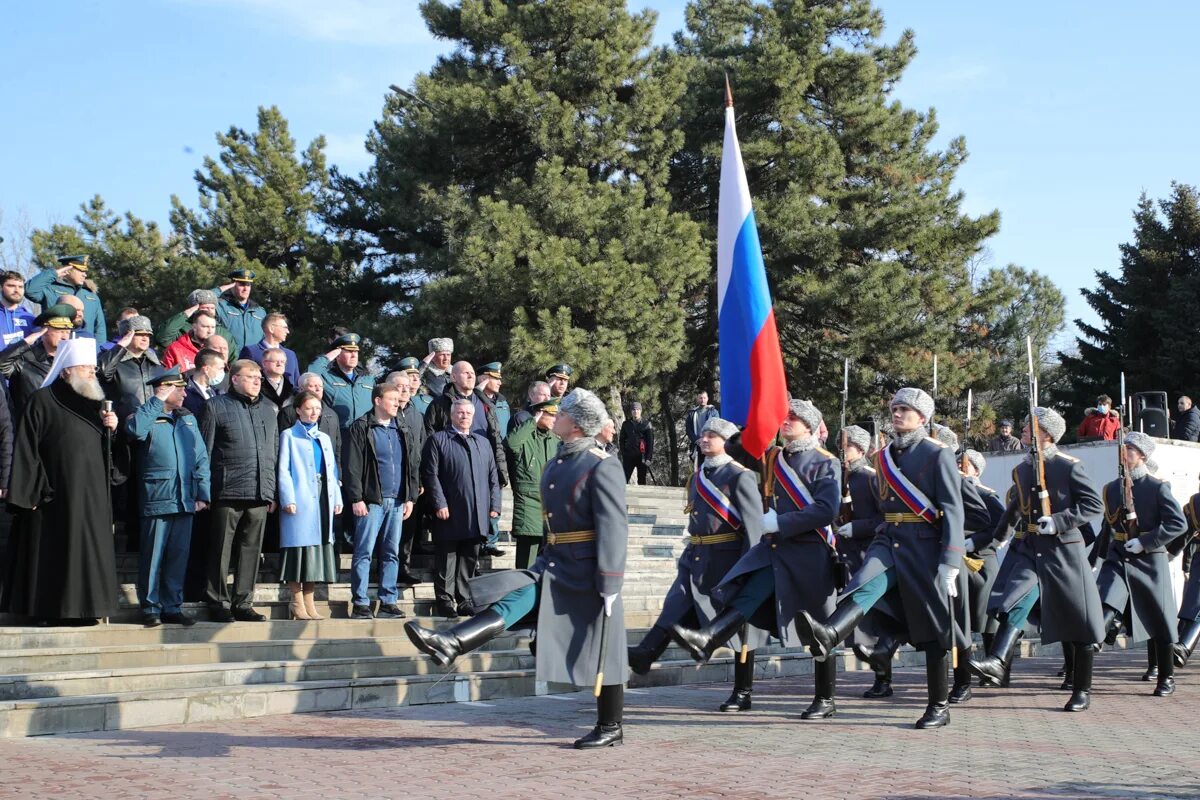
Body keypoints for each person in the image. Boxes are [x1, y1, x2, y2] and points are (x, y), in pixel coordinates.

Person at [405, 388, 628, 749]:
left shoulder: (601, 465)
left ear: (578, 425)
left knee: (606, 648)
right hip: (554, 562)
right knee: (515, 597)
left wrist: (610, 581)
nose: (557, 416)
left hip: (588, 569)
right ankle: (452, 642)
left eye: (564, 413)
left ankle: (611, 725)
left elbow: (614, 526)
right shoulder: (558, 462)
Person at [792, 388, 964, 729]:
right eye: (895, 408)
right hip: (889, 538)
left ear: (923, 417)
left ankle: (938, 705)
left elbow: (953, 510)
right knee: (864, 584)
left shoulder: (937, 454)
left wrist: (951, 559)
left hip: (925, 544)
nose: (897, 413)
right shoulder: (883, 457)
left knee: (933, 626)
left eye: (905, 409)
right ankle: (829, 633)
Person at [672, 402, 840, 719]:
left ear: (810, 425)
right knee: (745, 597)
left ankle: (825, 697)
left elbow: (826, 510)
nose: (786, 421)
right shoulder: (774, 458)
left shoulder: (825, 462)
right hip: (775, 550)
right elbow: (740, 452)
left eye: (794, 417)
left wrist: (782, 523)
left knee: (818, 625)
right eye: (785, 415)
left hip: (810, 550)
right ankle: (709, 639)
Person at [968, 407, 1105, 712]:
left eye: (1029, 429)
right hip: (1031, 548)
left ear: (1046, 434)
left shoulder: (1068, 466)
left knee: (1079, 620)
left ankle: (1082, 688)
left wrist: (1059, 520)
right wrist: (1000, 536)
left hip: (1064, 551)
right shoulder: (1023, 469)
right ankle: (997, 661)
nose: (1023, 433)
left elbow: (1092, 504)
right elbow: (1016, 507)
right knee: (1014, 600)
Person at [631, 417, 768, 712]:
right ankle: (645, 653)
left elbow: (753, 528)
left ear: (727, 440)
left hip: (728, 557)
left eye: (712, 435)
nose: (704, 439)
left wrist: (748, 569)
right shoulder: (696, 477)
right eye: (703, 434)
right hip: (695, 556)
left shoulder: (740, 476)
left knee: (741, 627)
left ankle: (742, 691)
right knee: (674, 604)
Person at [0, 339, 119, 623]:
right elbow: (27, 447)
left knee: (87, 552)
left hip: (90, 495)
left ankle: (86, 610)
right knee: (53, 552)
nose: (92, 372)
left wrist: (112, 430)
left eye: (92, 367)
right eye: (85, 367)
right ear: (66, 370)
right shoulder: (42, 400)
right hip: (53, 493)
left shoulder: (95, 403)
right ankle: (50, 610)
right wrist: (30, 490)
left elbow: (106, 450)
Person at [1095, 432, 1187, 697]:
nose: (1124, 454)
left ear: (1143, 456)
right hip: (1120, 554)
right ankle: (1099, 635)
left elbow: (1177, 524)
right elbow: (1109, 526)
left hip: (1149, 559)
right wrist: (1099, 557)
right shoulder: (1112, 488)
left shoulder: (1157, 487)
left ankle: (1166, 676)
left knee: (1159, 620)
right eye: (1122, 449)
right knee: (1107, 595)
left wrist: (1146, 542)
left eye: (1130, 450)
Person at [126, 367, 210, 627]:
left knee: (178, 557)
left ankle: (172, 606)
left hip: (185, 498)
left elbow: (200, 458)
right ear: (165, 389)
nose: (185, 393)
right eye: (180, 388)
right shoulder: (145, 416)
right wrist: (157, 401)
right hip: (158, 497)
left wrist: (203, 493)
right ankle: (150, 607)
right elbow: (135, 431)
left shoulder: (187, 419)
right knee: (152, 557)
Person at [200, 359, 278, 622]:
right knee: (221, 549)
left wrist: (272, 491)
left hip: (259, 492)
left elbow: (273, 453)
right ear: (234, 379)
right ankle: (218, 601)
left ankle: (243, 602)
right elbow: (204, 452)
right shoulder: (215, 406)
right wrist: (203, 490)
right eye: (251, 376)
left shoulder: (270, 409)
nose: (258, 381)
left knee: (251, 550)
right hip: (226, 491)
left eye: (259, 377)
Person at [421, 397, 501, 617]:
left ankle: (464, 599)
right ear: (452, 415)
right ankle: (445, 600)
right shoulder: (438, 440)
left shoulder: (482, 442)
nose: (464, 416)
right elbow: (430, 475)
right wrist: (439, 502)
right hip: (449, 511)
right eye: (460, 413)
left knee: (469, 558)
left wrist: (494, 504)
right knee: (447, 558)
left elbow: (493, 476)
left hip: (477, 512)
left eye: (468, 413)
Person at [832, 425, 893, 698]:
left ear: (859, 449)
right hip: (844, 556)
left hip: (868, 555)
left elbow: (884, 519)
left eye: (846, 447)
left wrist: (858, 528)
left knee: (876, 624)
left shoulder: (870, 478)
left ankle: (883, 681)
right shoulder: (839, 477)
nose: (842, 452)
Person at [344, 383, 413, 619]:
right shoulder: (361, 427)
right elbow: (352, 466)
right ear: (377, 400)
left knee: (391, 553)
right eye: (392, 399)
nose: (397, 403)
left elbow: (409, 464)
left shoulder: (401, 428)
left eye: (399, 399)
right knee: (364, 552)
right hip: (370, 501)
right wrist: (356, 498)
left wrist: (409, 497)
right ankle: (361, 603)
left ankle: (388, 601)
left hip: (396, 501)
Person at [277, 390, 343, 621]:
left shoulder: (323, 438)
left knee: (317, 552)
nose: (314, 413)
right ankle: (296, 600)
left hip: (322, 496)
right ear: (298, 410)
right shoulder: (289, 436)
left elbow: (332, 470)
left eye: (317, 409)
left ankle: (309, 600)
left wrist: (337, 498)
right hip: (301, 497)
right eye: (309, 408)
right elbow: (283, 469)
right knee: (299, 550)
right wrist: (288, 498)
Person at [423, 361, 509, 491]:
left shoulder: (485, 404)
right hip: (452, 475)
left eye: (472, 373)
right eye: (465, 373)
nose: (470, 376)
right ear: (453, 377)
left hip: (484, 473)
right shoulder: (439, 405)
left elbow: (495, 439)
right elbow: (430, 439)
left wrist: (501, 472)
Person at [960, 449, 1007, 686]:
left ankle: (994, 668)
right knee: (964, 618)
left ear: (976, 470)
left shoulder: (986, 495)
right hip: (960, 561)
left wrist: (976, 541)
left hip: (982, 560)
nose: (960, 467)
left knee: (989, 620)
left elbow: (1002, 524)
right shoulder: (954, 493)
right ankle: (965, 671)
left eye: (965, 464)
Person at [505, 397, 560, 569]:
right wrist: (532, 421)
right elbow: (511, 444)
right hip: (528, 503)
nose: (555, 419)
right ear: (540, 414)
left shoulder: (555, 440)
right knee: (527, 562)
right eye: (551, 415)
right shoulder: (525, 435)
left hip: (549, 506)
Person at [0, 304, 76, 412]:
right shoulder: (24, 359)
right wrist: (27, 341)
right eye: (59, 331)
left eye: (67, 332)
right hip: (29, 424)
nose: (64, 336)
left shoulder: (71, 362)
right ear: (44, 331)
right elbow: (2, 364)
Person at [25, 255, 105, 340]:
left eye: (85, 271)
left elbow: (100, 329)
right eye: (81, 270)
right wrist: (54, 273)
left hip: (84, 348)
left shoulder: (91, 296)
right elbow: (29, 290)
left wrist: (97, 350)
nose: (84, 275)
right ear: (68, 270)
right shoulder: (51, 289)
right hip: (56, 346)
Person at [98, 315, 161, 420]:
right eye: (140, 334)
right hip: (124, 425)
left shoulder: (155, 364)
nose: (145, 338)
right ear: (127, 336)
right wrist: (121, 345)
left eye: (148, 335)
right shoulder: (114, 363)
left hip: (155, 425)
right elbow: (103, 372)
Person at [308, 332, 376, 430]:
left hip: (365, 434)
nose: (354, 355)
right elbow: (311, 373)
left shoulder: (368, 378)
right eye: (349, 351)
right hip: (339, 433)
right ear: (338, 354)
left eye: (356, 351)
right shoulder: (327, 376)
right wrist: (329, 356)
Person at [279, 372, 342, 459]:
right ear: (301, 389)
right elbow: (282, 449)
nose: (318, 389)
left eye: (320, 386)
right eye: (313, 386)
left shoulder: (331, 414)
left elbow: (337, 448)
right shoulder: (288, 412)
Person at [209, 270, 267, 355]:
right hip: (227, 361)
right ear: (232, 285)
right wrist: (222, 288)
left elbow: (266, 340)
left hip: (253, 364)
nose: (245, 289)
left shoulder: (260, 311)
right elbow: (202, 298)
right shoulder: (220, 306)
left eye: (248, 285)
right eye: (242, 284)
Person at [239, 313, 300, 387]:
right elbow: (244, 380)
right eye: (284, 327)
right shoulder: (251, 352)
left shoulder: (290, 355)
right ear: (271, 328)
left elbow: (296, 383)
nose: (288, 331)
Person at [183, 349, 226, 416]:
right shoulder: (184, 394)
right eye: (220, 368)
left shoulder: (218, 393)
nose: (223, 372)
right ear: (206, 369)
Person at [619, 402, 653, 484]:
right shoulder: (626, 424)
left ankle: (642, 497)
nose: (636, 411)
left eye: (638, 409)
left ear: (640, 411)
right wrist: (624, 453)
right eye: (634, 409)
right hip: (629, 456)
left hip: (642, 457)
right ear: (631, 411)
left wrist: (649, 458)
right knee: (623, 479)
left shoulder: (647, 424)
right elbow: (621, 440)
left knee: (642, 480)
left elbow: (650, 442)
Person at [0, 271, 35, 347]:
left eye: (20, 287)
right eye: (11, 286)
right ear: (1, 287)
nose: (17, 290)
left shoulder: (30, 318)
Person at [684, 390, 717, 465]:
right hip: (697, 446)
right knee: (699, 469)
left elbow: (716, 427)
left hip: (710, 444)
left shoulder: (713, 412)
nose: (702, 400)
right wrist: (696, 440)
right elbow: (688, 429)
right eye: (700, 398)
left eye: (704, 398)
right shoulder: (691, 413)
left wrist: (708, 439)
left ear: (707, 398)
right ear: (697, 399)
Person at [258, 348, 294, 416]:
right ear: (264, 363)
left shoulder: (291, 389)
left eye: (282, 361)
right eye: (275, 361)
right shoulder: (255, 386)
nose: (279, 364)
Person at [478, 362, 510, 435]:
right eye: (496, 378)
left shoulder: (503, 403)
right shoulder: (474, 401)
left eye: (499, 379)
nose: (500, 383)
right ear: (483, 379)